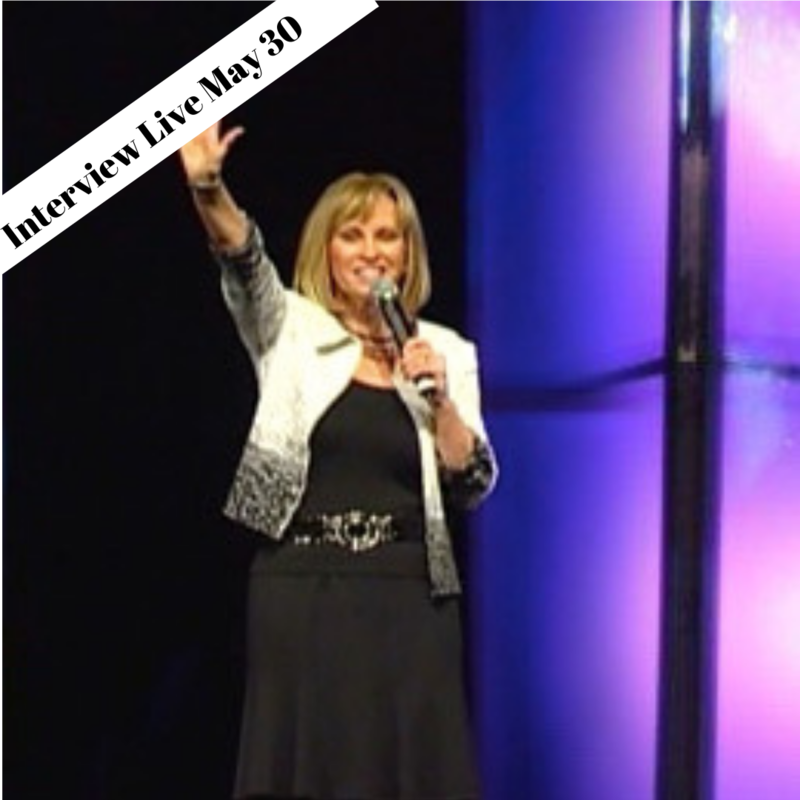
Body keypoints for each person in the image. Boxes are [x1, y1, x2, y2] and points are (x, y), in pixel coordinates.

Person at [179, 121, 498, 800]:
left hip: (410, 594)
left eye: (387, 236)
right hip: (303, 588)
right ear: (326, 250)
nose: (371, 251)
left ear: (408, 255)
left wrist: (440, 401)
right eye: (352, 235)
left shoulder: (446, 350)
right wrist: (209, 188)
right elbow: (243, 259)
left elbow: (472, 481)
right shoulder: (290, 331)